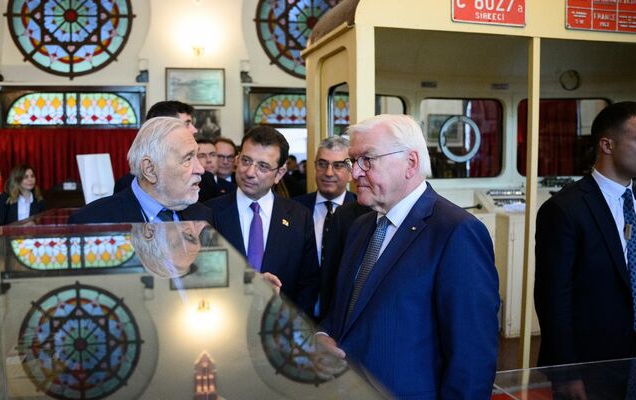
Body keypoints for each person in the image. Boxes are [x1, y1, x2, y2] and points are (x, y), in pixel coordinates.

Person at [314, 114, 499, 398]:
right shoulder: (361, 226)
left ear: (410, 163)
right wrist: (323, 336)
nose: (355, 173)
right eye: (354, 161)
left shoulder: (456, 232)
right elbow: (345, 310)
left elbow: (472, 359)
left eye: (368, 160)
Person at [535, 102, 636, 398]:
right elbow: (553, 299)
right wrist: (567, 373)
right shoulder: (565, 209)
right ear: (607, 145)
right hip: (591, 364)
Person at [206, 126, 319, 315]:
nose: (250, 172)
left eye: (263, 166)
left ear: (280, 173)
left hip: (281, 329)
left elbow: (308, 283)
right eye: (246, 161)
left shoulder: (299, 216)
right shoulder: (209, 212)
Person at [69, 117, 213, 224]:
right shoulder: (92, 220)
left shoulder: (203, 216)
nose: (200, 169)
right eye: (188, 159)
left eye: (196, 156)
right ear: (150, 169)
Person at [293, 136, 358, 319]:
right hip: (300, 317)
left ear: (350, 170)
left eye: (338, 165)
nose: (328, 172)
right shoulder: (293, 210)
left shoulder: (365, 214)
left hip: (344, 318)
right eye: (322, 164)